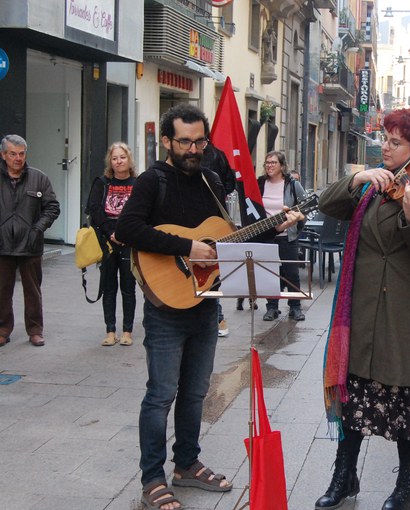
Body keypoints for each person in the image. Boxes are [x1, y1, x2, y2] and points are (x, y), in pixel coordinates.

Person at [115, 104, 303, 510]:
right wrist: (187, 247)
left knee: (196, 392)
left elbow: (228, 238)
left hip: (204, 303)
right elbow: (127, 228)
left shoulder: (213, 181)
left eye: (200, 140)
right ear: (167, 141)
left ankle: (186, 464)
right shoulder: (152, 181)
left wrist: (275, 225)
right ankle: (152, 477)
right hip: (165, 305)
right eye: (185, 141)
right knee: (161, 393)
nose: (194, 148)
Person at [315, 108, 410, 510]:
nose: (386, 148)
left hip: (408, 314)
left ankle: (405, 487)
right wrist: (358, 178)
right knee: (355, 399)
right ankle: (345, 477)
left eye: (396, 142)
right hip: (364, 308)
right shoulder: (375, 184)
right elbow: (327, 203)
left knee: (409, 404)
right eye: (385, 140)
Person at [0, 134, 60, 347]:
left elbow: (52, 207)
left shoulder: (39, 178)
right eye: (13, 154)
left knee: (33, 291)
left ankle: (35, 330)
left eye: (22, 154)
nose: (18, 158)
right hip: (2, 245)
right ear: (3, 155)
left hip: (31, 244)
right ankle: (3, 329)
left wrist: (38, 229)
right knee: (2, 290)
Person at [86, 142, 137, 347]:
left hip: (130, 241)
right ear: (110, 161)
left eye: (122, 157)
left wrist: (126, 233)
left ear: (129, 159)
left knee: (128, 287)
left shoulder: (138, 183)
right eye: (115, 158)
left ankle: (127, 331)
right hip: (107, 241)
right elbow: (94, 210)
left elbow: (142, 211)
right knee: (109, 287)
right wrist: (111, 232)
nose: (118, 161)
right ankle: (110, 330)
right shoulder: (102, 183)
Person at [259, 150, 307, 321]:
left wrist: (296, 225)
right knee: (270, 273)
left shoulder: (292, 185)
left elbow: (304, 208)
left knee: (291, 272)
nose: (270, 166)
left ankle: (295, 307)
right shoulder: (260, 183)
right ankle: (272, 307)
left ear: (282, 166)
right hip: (266, 236)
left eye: (273, 162)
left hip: (287, 236)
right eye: (267, 163)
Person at [202, 142, 236, 337]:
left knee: (213, 275)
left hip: (213, 224)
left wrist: (218, 193)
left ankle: (217, 316)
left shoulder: (217, 156)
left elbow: (229, 183)